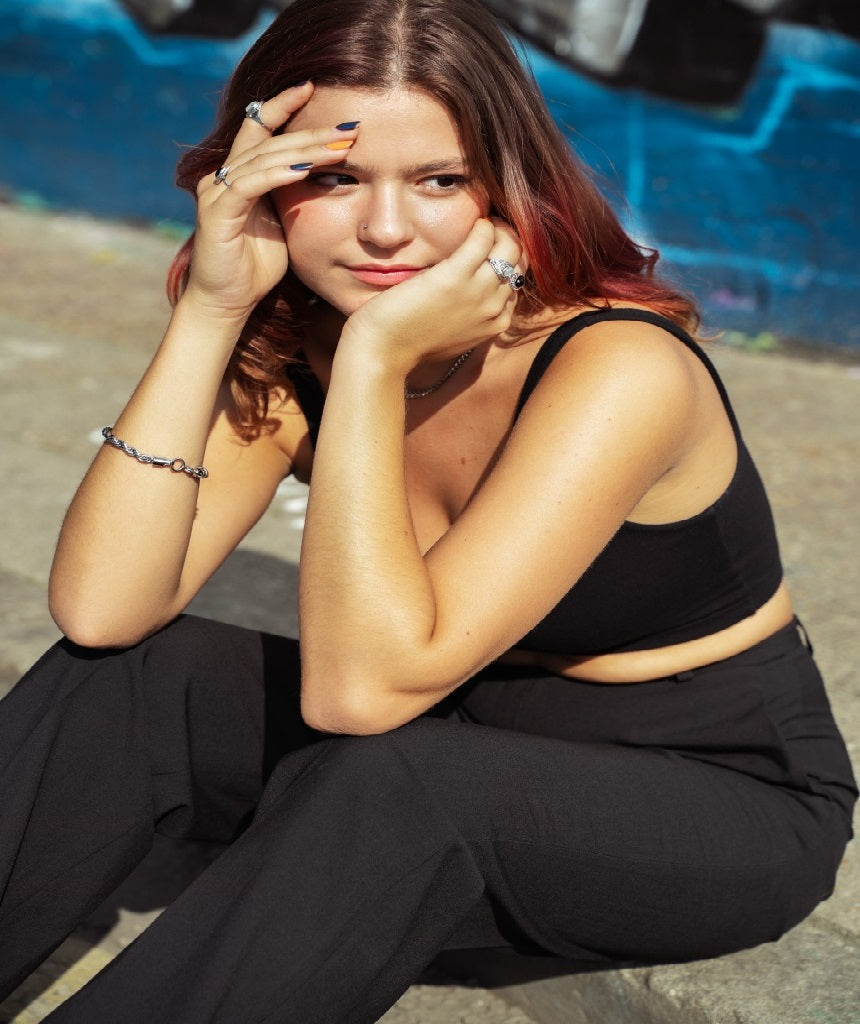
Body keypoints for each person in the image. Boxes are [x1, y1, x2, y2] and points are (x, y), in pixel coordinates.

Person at [0, 0, 855, 1020]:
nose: (387, 229)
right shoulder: (294, 338)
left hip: (703, 790)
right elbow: (104, 609)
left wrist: (373, 361)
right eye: (333, 176)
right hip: (451, 730)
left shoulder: (613, 365)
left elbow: (357, 700)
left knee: (399, 780)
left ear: (505, 182)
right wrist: (213, 306)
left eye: (438, 179)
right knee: (133, 679)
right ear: (260, 181)